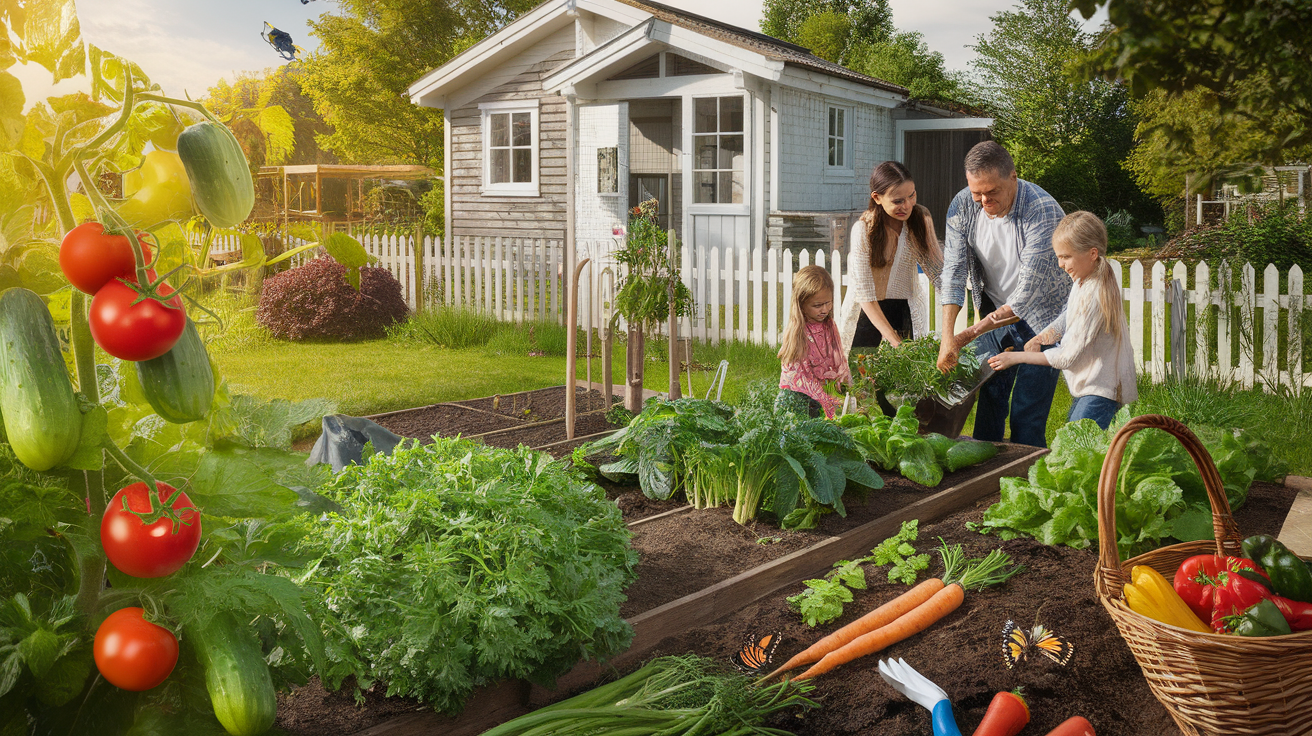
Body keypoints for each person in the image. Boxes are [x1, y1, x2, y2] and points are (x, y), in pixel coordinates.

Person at [936, 141, 1068, 447]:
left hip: (1043, 317)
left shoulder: (1042, 210)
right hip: (995, 308)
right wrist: (947, 338)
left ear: (1013, 177)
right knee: (991, 395)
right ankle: (984, 483)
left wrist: (967, 334)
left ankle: (1027, 478)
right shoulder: (962, 206)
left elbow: (1025, 297)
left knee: (1027, 408)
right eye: (976, 193)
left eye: (991, 192)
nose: (983, 200)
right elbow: (953, 272)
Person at [986, 212, 1137, 429]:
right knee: (1079, 447)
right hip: (1094, 385)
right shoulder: (1085, 280)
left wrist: (1015, 357)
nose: (1060, 264)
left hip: (1103, 390)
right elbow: (1068, 316)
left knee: (1078, 452)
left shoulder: (1094, 293)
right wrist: (1040, 337)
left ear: (1092, 253)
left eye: (1066, 257)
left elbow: (1066, 358)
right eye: (1058, 256)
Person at [839, 161, 943, 354]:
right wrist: (896, 342)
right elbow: (866, 296)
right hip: (867, 315)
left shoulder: (919, 220)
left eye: (911, 195)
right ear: (877, 198)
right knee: (863, 379)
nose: (908, 205)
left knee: (906, 378)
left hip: (904, 310)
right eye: (898, 201)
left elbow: (939, 274)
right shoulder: (863, 230)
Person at [779, 265, 851, 419]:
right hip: (799, 400)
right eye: (817, 305)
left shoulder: (829, 325)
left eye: (828, 302)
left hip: (820, 397)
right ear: (801, 305)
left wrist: (849, 388)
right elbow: (802, 378)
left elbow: (840, 359)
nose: (825, 309)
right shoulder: (798, 332)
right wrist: (826, 400)